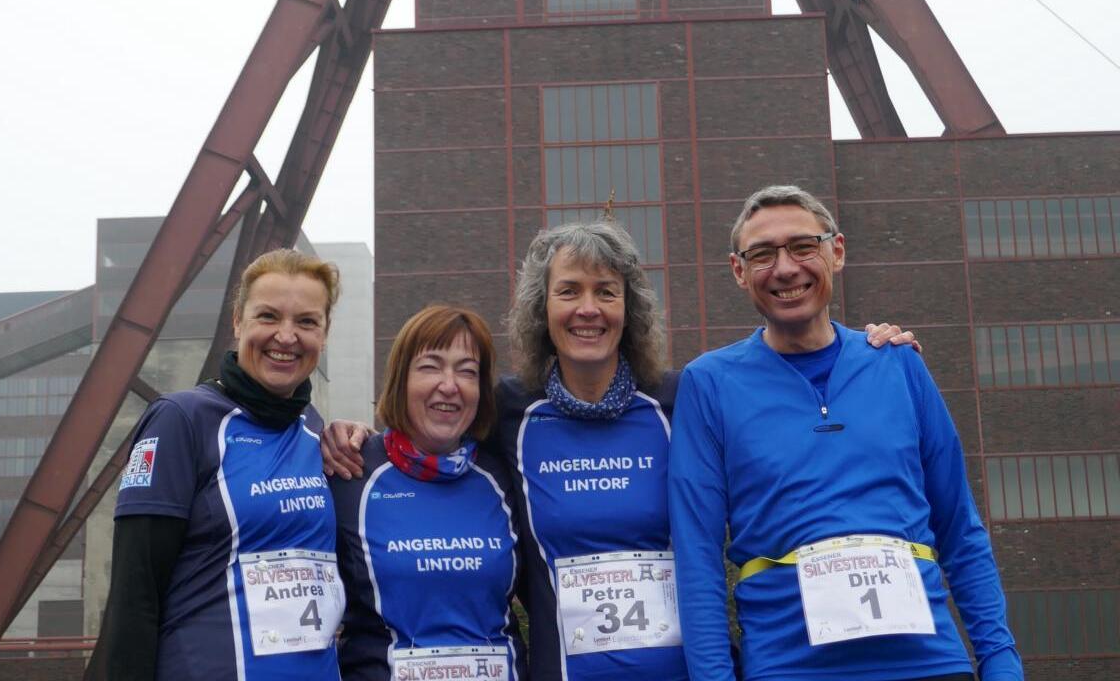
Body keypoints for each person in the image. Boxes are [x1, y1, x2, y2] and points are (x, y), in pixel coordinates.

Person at [324, 219, 916, 681]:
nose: (589, 308)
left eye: (606, 292)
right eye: (569, 291)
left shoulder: (685, 399)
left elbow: (780, 395)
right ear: (543, 310)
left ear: (628, 309)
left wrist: (864, 349)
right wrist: (355, 437)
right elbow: (432, 432)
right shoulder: (506, 410)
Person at [668, 185, 1023, 681]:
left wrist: (1000, 662)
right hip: (789, 668)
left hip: (930, 664)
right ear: (739, 271)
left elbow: (960, 528)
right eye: (763, 254)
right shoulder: (708, 383)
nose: (786, 268)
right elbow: (696, 557)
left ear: (836, 252)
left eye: (803, 246)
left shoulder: (898, 363)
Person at [94, 248, 345, 681]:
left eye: (306, 321)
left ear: (324, 333)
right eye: (268, 316)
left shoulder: (314, 428)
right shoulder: (181, 419)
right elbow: (134, 596)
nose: (286, 337)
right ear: (237, 321)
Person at [331, 304, 526, 681]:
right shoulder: (349, 472)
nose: (449, 385)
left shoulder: (505, 473)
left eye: (467, 371)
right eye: (430, 366)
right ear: (400, 378)